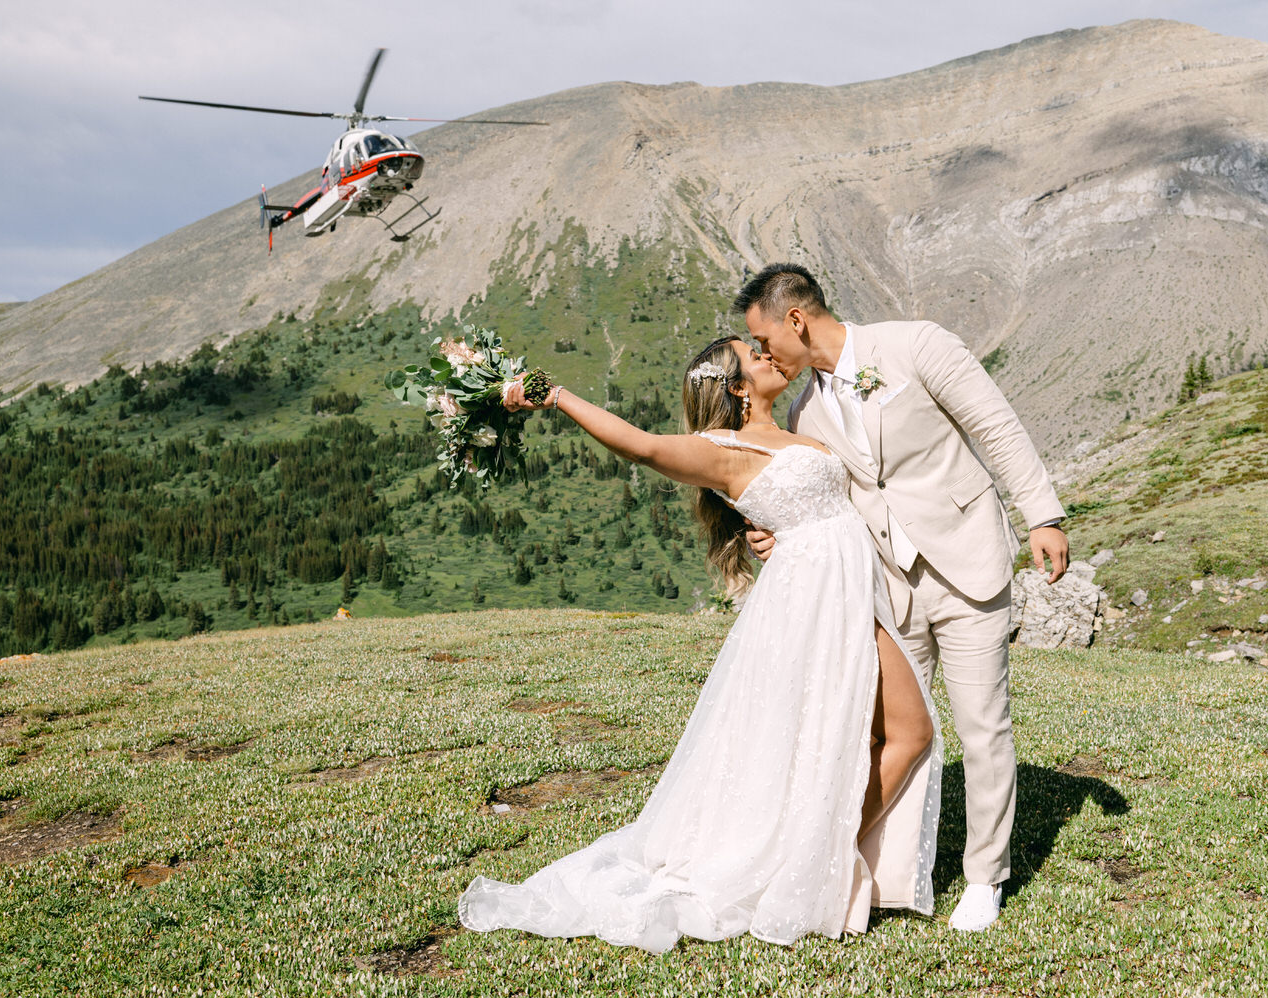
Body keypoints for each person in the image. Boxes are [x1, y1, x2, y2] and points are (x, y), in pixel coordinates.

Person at [457, 338, 941, 954]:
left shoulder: (800, 422)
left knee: (889, 733)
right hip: (814, 599)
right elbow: (644, 446)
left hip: (844, 589)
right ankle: (812, 864)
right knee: (903, 730)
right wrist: (557, 398)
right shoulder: (724, 453)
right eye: (753, 354)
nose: (768, 355)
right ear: (737, 387)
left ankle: (814, 857)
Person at [738, 264, 1068, 933]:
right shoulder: (806, 410)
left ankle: (984, 877)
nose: (763, 355)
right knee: (897, 736)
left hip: (968, 563)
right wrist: (777, 539)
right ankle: (887, 872)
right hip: (888, 586)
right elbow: (819, 499)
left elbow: (996, 424)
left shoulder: (917, 345)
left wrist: (1043, 514)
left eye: (764, 338)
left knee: (982, 727)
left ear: (796, 319)